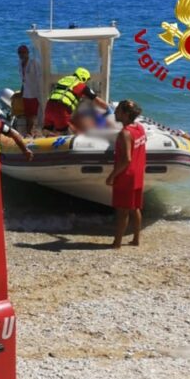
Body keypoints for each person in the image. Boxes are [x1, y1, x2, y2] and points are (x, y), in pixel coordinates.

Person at [106, 100, 147, 248]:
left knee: (122, 211)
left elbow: (126, 159)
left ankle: (117, 243)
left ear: (126, 114)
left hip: (126, 177)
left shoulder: (125, 133)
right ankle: (136, 239)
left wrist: (112, 176)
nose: (115, 113)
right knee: (135, 208)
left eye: (118, 111)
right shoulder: (140, 128)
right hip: (138, 175)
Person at [42, 67, 110, 134]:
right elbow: (97, 100)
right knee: (66, 134)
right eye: (86, 80)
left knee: (48, 130)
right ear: (83, 78)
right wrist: (108, 108)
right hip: (62, 110)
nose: (86, 82)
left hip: (49, 107)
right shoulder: (80, 85)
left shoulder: (64, 80)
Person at [17, 45, 42, 135]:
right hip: (26, 94)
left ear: (28, 53)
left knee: (34, 115)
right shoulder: (19, 63)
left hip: (35, 94)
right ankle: (29, 133)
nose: (21, 54)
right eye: (20, 53)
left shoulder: (34, 63)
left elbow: (40, 77)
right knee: (27, 115)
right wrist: (21, 91)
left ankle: (31, 133)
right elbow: (23, 80)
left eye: (23, 52)